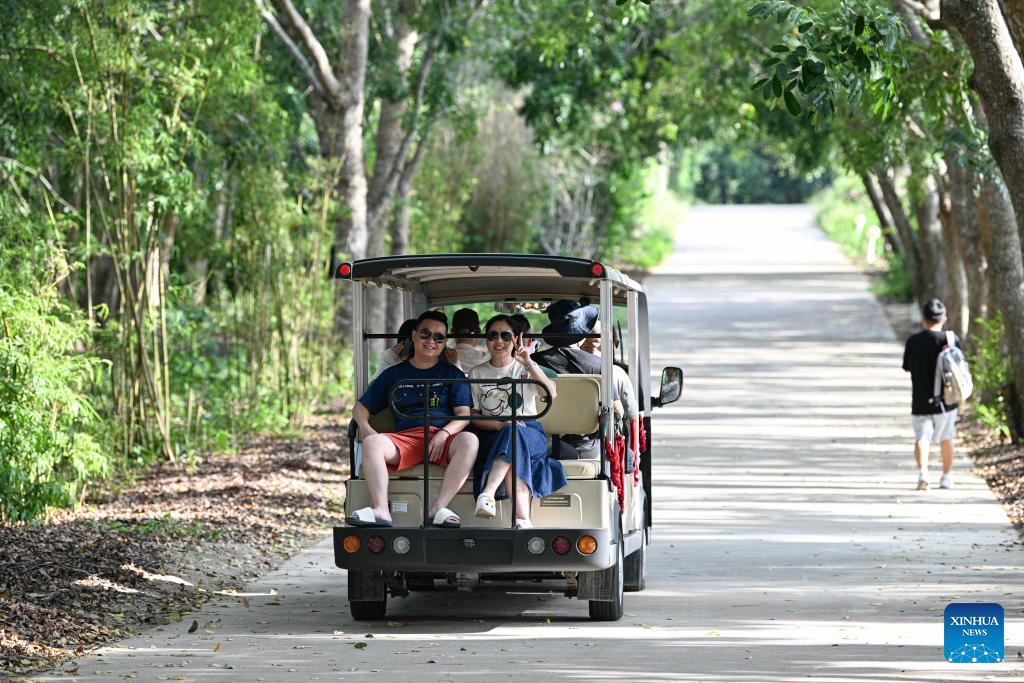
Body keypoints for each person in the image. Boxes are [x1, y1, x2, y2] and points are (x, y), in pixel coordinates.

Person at [348, 311, 479, 528]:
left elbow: (463, 415)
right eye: (425, 334)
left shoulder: (452, 374)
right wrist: (364, 426)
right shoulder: (394, 374)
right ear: (414, 335)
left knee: (470, 441)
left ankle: (439, 508)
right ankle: (381, 510)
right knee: (371, 443)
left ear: (445, 343)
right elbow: (361, 407)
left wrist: (444, 434)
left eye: (439, 338)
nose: (431, 341)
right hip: (405, 439)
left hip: (442, 439)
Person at [470, 315, 565, 529]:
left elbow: (549, 393)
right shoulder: (477, 372)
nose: (499, 341)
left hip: (530, 432)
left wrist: (528, 362)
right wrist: (500, 425)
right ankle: (522, 519)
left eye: (506, 335)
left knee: (515, 433)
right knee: (512, 438)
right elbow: (474, 416)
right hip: (493, 433)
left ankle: (487, 493)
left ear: (516, 339)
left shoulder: (524, 369)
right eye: (493, 335)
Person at [902, 299, 962, 490]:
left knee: (922, 437)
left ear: (924, 319)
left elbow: (908, 368)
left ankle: (923, 473)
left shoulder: (913, 341)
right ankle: (946, 477)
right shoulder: (951, 340)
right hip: (947, 400)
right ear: (944, 318)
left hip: (920, 398)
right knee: (946, 437)